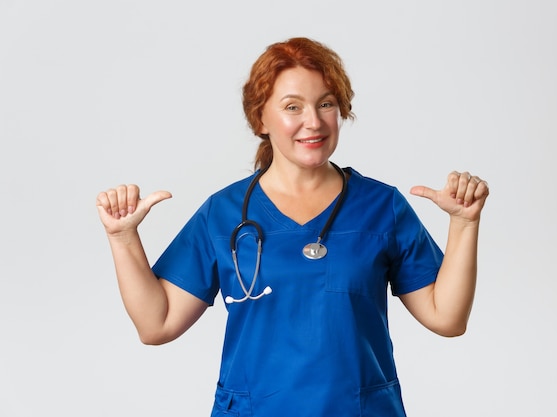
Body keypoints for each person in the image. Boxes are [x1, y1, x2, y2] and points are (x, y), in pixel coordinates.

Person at [96, 37, 489, 417]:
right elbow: (156, 324)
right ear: (260, 118)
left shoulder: (381, 207)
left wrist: (464, 223)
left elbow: (447, 318)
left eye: (326, 104)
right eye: (292, 107)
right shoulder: (224, 213)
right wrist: (122, 238)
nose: (313, 122)